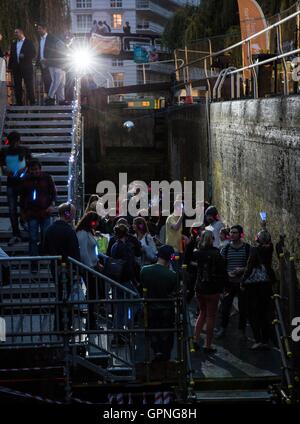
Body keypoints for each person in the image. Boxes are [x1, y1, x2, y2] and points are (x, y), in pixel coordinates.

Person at [140, 245, 177, 361]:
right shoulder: (172, 275)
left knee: (153, 332)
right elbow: (174, 292)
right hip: (167, 309)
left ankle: (156, 352)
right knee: (167, 334)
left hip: (150, 307)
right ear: (169, 258)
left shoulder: (144, 270)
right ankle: (165, 355)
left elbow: (142, 287)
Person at [193, 231, 227, 353]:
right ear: (212, 239)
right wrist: (224, 288)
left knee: (202, 313)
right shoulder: (216, 254)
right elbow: (223, 272)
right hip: (212, 289)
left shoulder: (198, 253)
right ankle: (208, 345)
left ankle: (195, 340)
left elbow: (187, 258)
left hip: (200, 288)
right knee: (211, 316)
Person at [242, 230, 275, 350]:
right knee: (265, 313)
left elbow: (249, 266)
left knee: (253, 313)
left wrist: (243, 280)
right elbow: (270, 244)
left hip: (254, 285)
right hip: (266, 283)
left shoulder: (254, 250)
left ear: (257, 239)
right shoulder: (270, 249)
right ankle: (266, 340)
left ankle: (258, 339)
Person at [216, 225, 251, 339]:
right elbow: (220, 266)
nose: (232, 234)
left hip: (242, 283)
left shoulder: (247, 248)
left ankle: (241, 331)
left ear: (240, 234)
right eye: (231, 232)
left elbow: (252, 267)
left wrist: (242, 269)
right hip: (229, 283)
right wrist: (226, 274)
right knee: (225, 307)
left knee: (243, 307)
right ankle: (223, 329)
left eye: (235, 233)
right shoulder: (225, 249)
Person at [110, 224, 140, 345]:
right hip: (125, 280)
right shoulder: (125, 248)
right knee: (137, 302)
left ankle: (117, 333)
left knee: (120, 308)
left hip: (117, 280)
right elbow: (129, 266)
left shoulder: (114, 246)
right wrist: (135, 281)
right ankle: (126, 325)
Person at [0, 131, 32, 245]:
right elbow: (2, 165)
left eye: (16, 141)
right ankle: (15, 233)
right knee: (12, 209)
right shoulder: (4, 151)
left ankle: (23, 222)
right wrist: (5, 170)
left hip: (23, 182)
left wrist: (23, 170)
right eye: (13, 142)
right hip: (11, 183)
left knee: (24, 205)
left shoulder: (24, 150)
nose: (15, 144)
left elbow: (30, 164)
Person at [19, 160, 56, 257]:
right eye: (32, 170)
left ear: (40, 169)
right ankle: (34, 259)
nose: (34, 172)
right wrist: (22, 213)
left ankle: (43, 253)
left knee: (45, 235)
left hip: (45, 211)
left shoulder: (47, 178)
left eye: (36, 169)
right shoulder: (25, 180)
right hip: (31, 213)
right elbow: (22, 198)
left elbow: (53, 193)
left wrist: (51, 205)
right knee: (33, 237)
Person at [76, 211, 103, 330]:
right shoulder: (82, 234)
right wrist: (90, 267)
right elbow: (83, 253)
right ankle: (91, 323)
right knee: (92, 296)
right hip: (88, 269)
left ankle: (92, 321)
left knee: (94, 295)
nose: (97, 224)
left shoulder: (88, 233)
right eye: (95, 221)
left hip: (93, 267)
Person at [8, 28, 35, 105]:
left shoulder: (29, 42)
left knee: (29, 85)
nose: (15, 34)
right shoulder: (14, 43)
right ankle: (19, 103)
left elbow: (33, 53)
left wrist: (25, 55)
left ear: (21, 33)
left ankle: (32, 102)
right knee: (17, 86)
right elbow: (11, 56)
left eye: (16, 32)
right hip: (16, 68)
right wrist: (9, 67)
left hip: (26, 68)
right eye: (14, 32)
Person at [42, 31, 67, 105]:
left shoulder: (61, 42)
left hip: (61, 66)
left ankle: (61, 99)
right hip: (56, 65)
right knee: (56, 82)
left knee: (61, 84)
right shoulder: (59, 42)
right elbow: (62, 54)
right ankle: (50, 97)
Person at [36, 23, 56, 97]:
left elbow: (53, 51)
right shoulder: (40, 39)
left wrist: (48, 60)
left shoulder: (51, 38)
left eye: (40, 28)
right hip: (42, 64)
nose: (38, 30)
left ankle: (52, 97)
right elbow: (40, 51)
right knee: (45, 81)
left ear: (45, 29)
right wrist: (38, 62)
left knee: (51, 81)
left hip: (50, 64)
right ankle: (48, 96)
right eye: (38, 29)